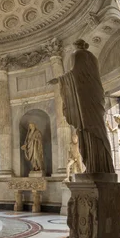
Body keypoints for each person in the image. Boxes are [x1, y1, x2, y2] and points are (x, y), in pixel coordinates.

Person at [48, 39, 114, 174]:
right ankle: (103, 166)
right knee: (98, 128)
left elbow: (74, 73)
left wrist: (59, 80)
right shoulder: (93, 57)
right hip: (96, 94)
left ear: (76, 46)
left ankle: (93, 167)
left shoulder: (77, 54)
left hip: (85, 97)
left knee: (86, 128)